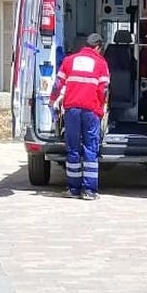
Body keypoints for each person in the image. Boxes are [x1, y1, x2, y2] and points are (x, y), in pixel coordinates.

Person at [50, 34, 110, 200]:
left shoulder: (69, 60)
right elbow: (104, 90)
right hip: (91, 110)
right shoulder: (101, 63)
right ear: (98, 47)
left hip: (72, 110)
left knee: (73, 148)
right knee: (91, 148)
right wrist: (101, 109)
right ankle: (89, 191)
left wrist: (52, 102)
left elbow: (57, 84)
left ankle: (73, 188)